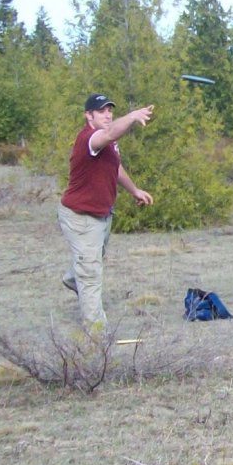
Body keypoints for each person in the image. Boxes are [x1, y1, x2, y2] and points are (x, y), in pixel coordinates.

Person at [58, 93, 154, 329]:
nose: (108, 114)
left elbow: (116, 166)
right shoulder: (90, 139)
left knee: (90, 263)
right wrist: (132, 116)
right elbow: (110, 134)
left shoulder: (108, 144)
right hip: (80, 217)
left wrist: (134, 190)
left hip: (101, 215)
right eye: (101, 111)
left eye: (110, 110)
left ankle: (73, 279)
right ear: (88, 115)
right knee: (91, 275)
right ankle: (98, 336)